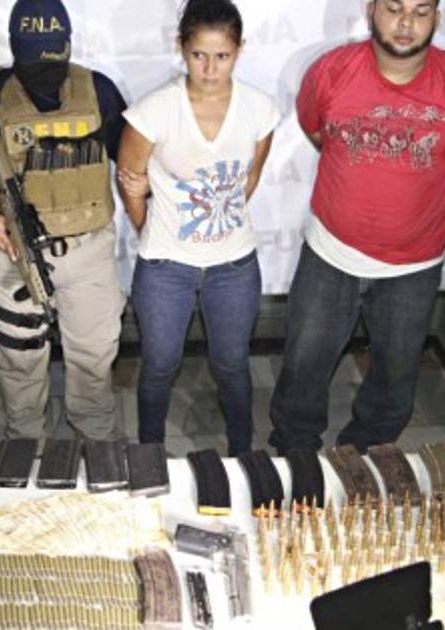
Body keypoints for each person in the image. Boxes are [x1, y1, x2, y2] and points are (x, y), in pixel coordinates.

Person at [268, 0, 445, 455]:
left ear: (437, 18)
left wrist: (428, 166)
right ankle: (295, 449)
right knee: (304, 363)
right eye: (394, 8)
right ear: (371, 10)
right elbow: (316, 129)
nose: (406, 22)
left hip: (414, 264)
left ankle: (369, 454)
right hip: (331, 252)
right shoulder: (331, 72)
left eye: (421, 10)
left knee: (396, 373)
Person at [0, 0, 127, 441]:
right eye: (32, 60)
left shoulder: (97, 90)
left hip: (88, 250)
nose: (44, 72)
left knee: (94, 356)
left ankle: (97, 438)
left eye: (52, 58)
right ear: (13, 49)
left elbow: (131, 157)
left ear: (67, 45)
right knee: (20, 361)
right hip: (11, 252)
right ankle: (25, 443)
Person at [116, 0, 278, 456]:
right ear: (181, 47)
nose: (209, 69)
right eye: (198, 55)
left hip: (235, 264)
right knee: (159, 365)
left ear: (239, 50)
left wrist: (218, 223)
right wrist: (155, 231)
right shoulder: (152, 112)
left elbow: (249, 179)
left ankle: (243, 454)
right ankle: (150, 455)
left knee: (232, 364)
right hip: (165, 267)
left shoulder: (260, 109)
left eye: (221, 56)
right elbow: (130, 184)